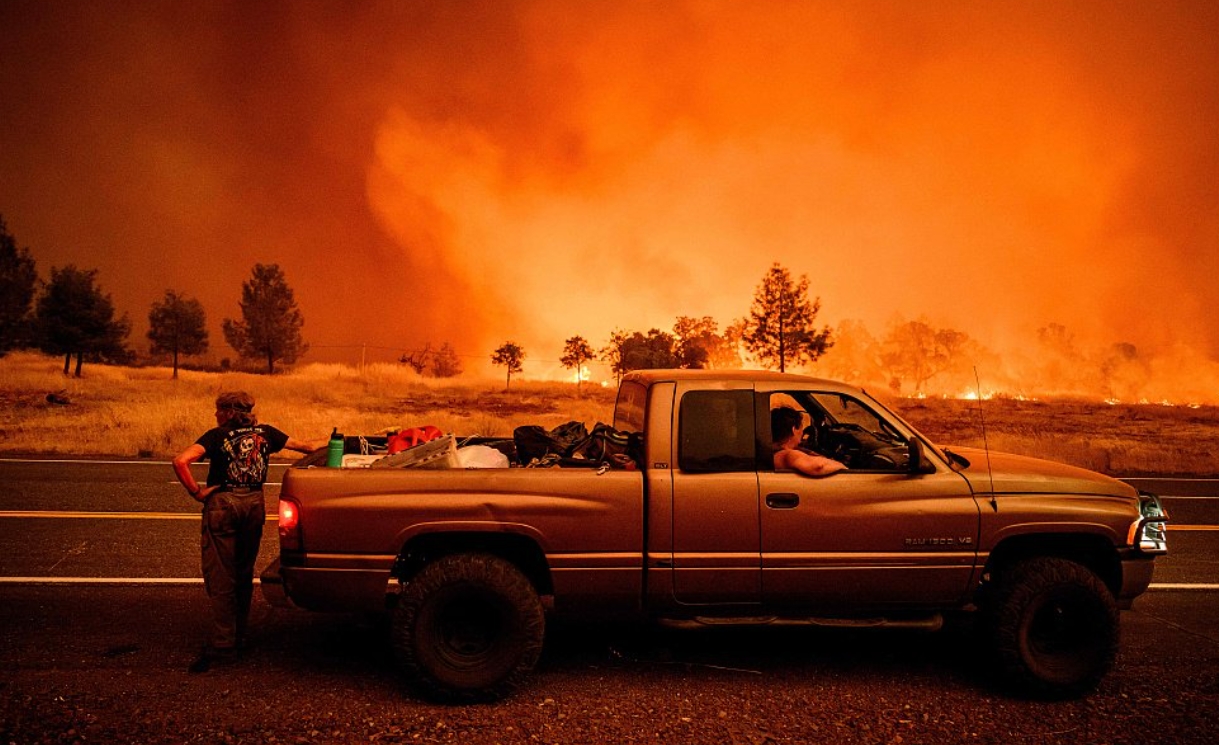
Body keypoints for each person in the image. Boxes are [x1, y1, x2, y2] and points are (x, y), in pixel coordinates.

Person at [172, 391, 316, 673]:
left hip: (223, 503)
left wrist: (197, 493)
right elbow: (307, 447)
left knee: (221, 575)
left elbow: (180, 462)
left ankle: (223, 645)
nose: (215, 415)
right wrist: (344, 443)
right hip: (254, 504)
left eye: (218, 411)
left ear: (227, 413)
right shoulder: (267, 433)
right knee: (243, 572)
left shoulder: (216, 436)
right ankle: (240, 634)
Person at [771, 405, 847, 477]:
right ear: (794, 429)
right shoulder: (787, 455)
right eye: (801, 428)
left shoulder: (773, 449)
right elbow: (817, 467)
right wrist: (843, 467)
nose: (802, 433)